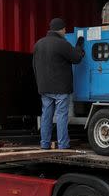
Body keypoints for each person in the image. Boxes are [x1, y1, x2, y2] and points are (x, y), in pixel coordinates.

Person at [32, 17, 84, 149]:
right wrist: (79, 46)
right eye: (65, 29)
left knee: (46, 116)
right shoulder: (62, 44)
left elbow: (34, 65)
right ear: (60, 29)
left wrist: (40, 82)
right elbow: (76, 58)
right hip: (60, 88)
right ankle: (63, 145)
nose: (65, 32)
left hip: (44, 87)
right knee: (61, 116)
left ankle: (44, 144)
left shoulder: (38, 44)